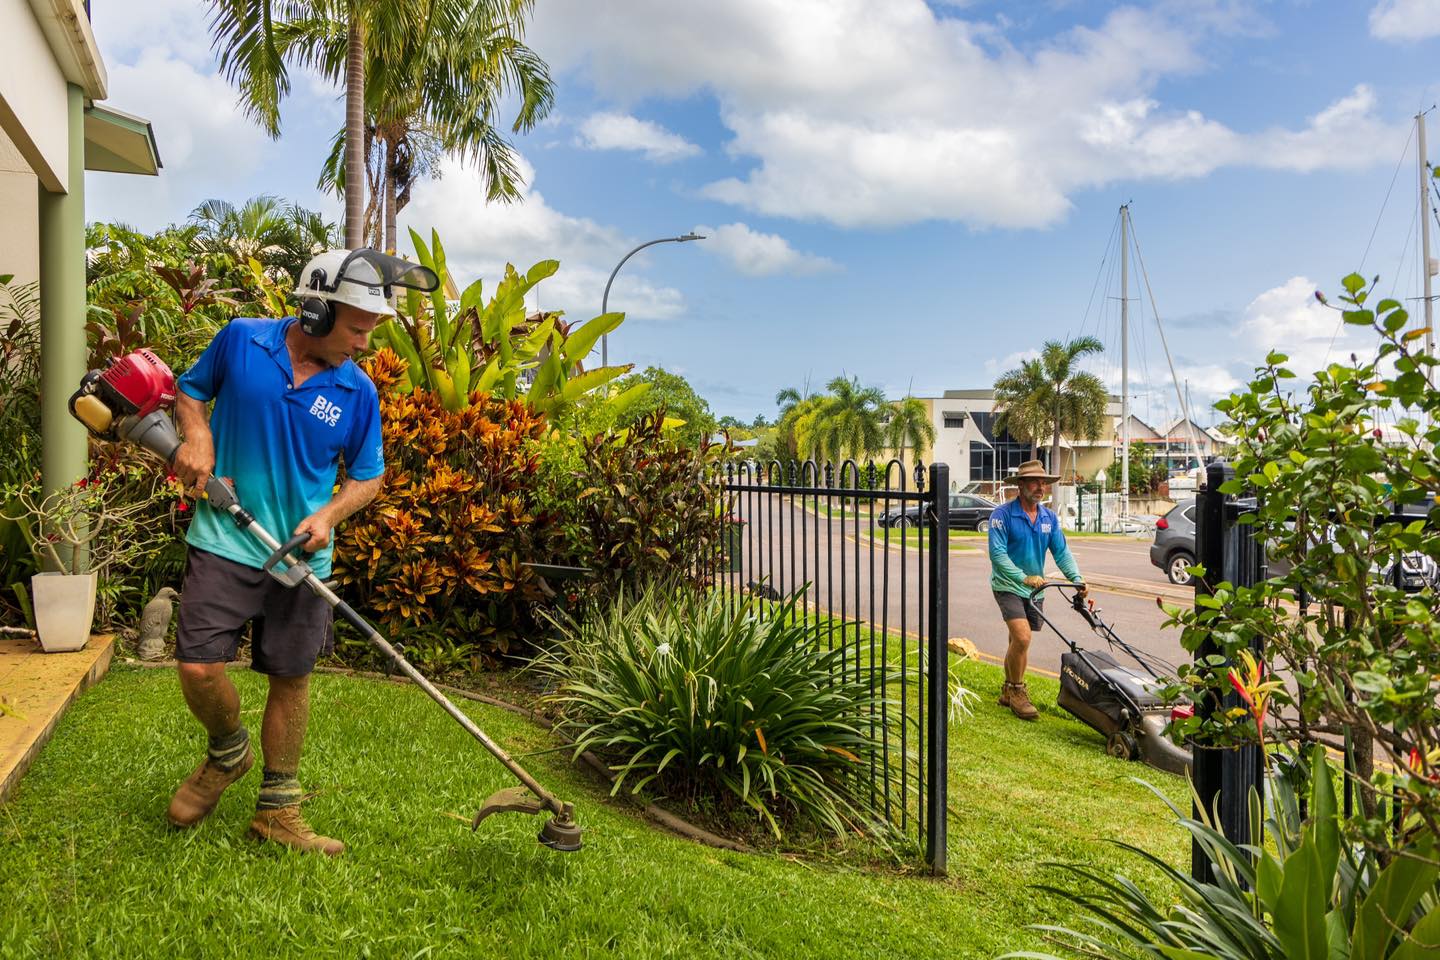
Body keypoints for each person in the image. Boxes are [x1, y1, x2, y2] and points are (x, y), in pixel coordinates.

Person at [164, 249, 399, 856]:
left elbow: (368, 476)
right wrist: (198, 433)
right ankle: (226, 751)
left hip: (299, 559)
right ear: (316, 311)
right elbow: (189, 393)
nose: (366, 343)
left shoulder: (357, 390)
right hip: (224, 537)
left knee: (291, 679)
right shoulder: (242, 342)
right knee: (198, 667)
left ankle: (279, 810)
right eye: (357, 326)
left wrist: (327, 516)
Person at [987, 459, 1086, 721]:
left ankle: (1007, 690)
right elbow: (997, 555)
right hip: (1008, 585)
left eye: (1043, 482)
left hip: (1035, 591)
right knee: (1022, 638)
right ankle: (1018, 691)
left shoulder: (1048, 518)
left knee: (1016, 640)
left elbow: (1062, 552)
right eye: (1034, 481)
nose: (1040, 487)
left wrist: (1076, 578)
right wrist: (1023, 577)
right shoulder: (1002, 515)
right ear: (1020, 485)